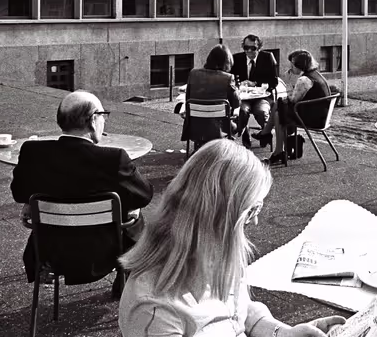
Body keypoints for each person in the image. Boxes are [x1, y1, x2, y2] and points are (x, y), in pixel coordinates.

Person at [119, 139, 346, 337]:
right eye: (252, 211)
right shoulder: (154, 308)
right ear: (220, 217)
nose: (255, 222)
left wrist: (281, 332)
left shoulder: (219, 251)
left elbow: (240, 311)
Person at [10, 90, 154, 287]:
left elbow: (19, 192)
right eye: (103, 116)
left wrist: (31, 202)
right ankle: (127, 278)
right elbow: (144, 195)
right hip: (102, 253)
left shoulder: (32, 153)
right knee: (134, 216)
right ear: (93, 120)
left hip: (51, 251)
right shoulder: (114, 159)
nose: (104, 122)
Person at [257, 50, 331, 166]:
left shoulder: (304, 80)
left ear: (299, 65)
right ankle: (274, 146)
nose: (291, 67)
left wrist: (289, 84)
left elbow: (293, 100)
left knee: (278, 110)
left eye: (292, 64)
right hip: (321, 115)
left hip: (312, 118)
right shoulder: (316, 74)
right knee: (278, 109)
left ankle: (269, 139)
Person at [184, 45, 242, 149]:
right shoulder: (227, 78)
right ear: (227, 62)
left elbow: (188, 97)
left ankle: (201, 145)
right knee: (238, 121)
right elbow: (236, 103)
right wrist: (236, 89)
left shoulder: (193, 73)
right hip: (219, 128)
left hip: (195, 125)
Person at [231, 35, 280, 148]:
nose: (249, 51)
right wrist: (241, 84)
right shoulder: (237, 58)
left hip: (262, 97)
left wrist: (255, 84)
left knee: (262, 112)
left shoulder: (267, 58)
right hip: (244, 97)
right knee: (242, 111)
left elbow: (273, 82)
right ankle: (243, 134)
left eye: (252, 48)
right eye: (246, 47)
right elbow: (232, 80)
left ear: (259, 48)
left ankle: (265, 134)